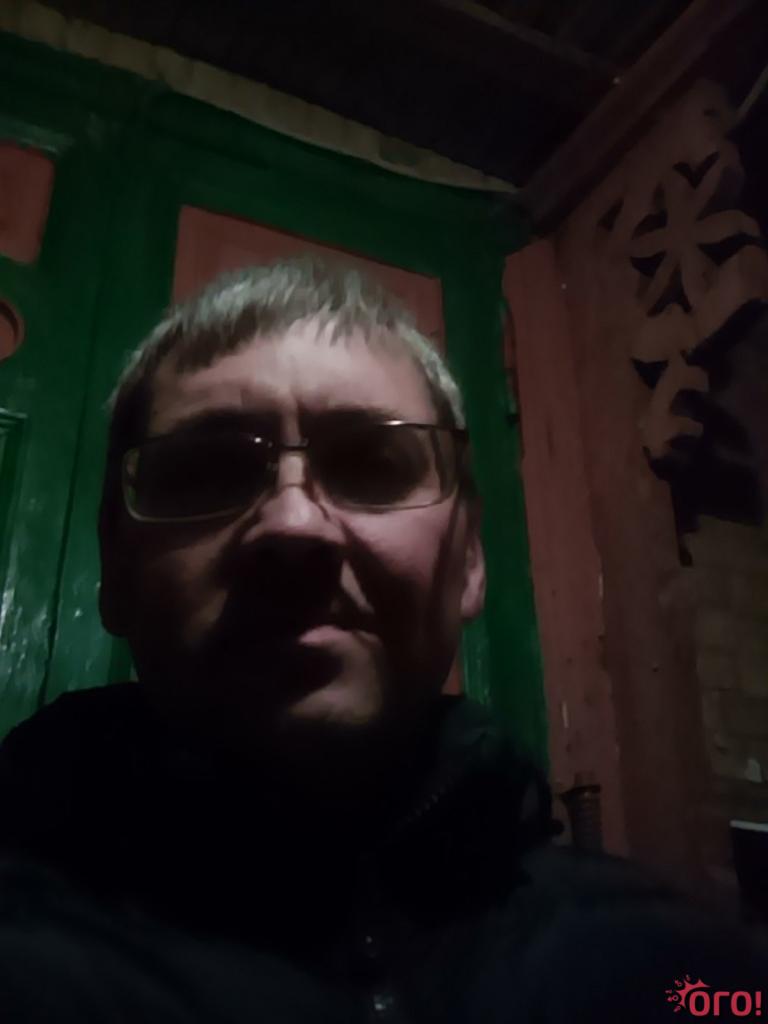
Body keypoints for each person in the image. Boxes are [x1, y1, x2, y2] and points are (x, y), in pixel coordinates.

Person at [0, 259, 764, 1023]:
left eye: (372, 464)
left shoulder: (680, 972)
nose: (293, 525)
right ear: (115, 566)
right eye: (206, 471)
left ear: (470, 560)